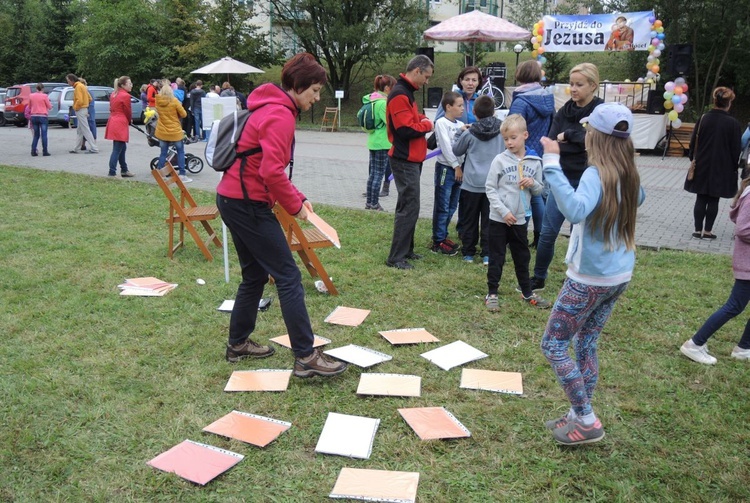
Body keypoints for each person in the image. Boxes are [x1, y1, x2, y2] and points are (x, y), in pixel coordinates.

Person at [216, 53, 348, 379]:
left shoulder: (271, 108)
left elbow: (267, 166)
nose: (317, 98)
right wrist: (295, 207)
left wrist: (299, 197)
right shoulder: (280, 116)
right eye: (314, 90)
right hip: (246, 204)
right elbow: (272, 171)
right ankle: (305, 356)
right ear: (298, 85)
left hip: (233, 199)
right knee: (288, 277)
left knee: (255, 275)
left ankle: (238, 343)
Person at [539, 103, 645, 445]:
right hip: (618, 276)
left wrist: (552, 162)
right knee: (586, 343)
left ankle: (586, 419)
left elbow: (574, 209)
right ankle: (577, 413)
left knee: (553, 345)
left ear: (595, 137)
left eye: (588, 132)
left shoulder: (595, 174)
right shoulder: (627, 172)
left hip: (589, 281)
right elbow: (638, 198)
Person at [528, 63, 603, 292]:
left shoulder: (601, 111)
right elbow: (551, 142)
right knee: (548, 232)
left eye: (579, 84)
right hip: (561, 178)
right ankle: (539, 276)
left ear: (593, 85)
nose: (573, 89)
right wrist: (572, 141)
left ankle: (576, 277)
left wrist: (569, 135)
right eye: (571, 84)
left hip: (587, 179)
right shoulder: (565, 111)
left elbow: (593, 141)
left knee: (580, 233)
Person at [680, 176, 750, 364]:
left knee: (735, 305)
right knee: (734, 306)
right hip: (748, 263)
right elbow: (743, 229)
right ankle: (695, 344)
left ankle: (744, 348)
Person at [484, 114, 549, 311]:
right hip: (499, 219)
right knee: (497, 256)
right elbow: (490, 188)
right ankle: (492, 292)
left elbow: (540, 190)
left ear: (525, 135)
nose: (509, 142)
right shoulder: (499, 160)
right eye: (505, 139)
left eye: (513, 137)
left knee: (522, 256)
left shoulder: (535, 162)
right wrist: (503, 211)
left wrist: (533, 183)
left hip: (520, 220)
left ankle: (527, 291)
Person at [385, 54, 434, 270]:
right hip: (405, 159)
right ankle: (396, 257)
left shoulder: (406, 93)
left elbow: (412, 120)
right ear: (417, 71)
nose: (427, 81)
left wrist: (421, 119)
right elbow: (405, 129)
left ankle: (407, 250)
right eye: (427, 76)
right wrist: (426, 125)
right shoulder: (399, 94)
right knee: (409, 206)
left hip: (412, 158)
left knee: (409, 205)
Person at [684, 87, 742, 240]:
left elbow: (693, 142)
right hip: (722, 166)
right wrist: (734, 166)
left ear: (715, 101)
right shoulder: (733, 123)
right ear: (728, 103)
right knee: (713, 199)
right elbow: (736, 149)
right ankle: (708, 231)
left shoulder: (703, 118)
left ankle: (697, 230)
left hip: (702, 163)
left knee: (700, 197)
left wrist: (693, 159)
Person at [509, 60, 555, 248]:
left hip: (524, 153)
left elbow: (512, 128)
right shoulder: (548, 99)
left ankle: (518, 236)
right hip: (542, 152)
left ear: (520, 75)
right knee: (538, 194)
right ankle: (540, 237)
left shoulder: (521, 101)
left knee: (525, 195)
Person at [452, 95, 504, 265]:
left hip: (471, 184)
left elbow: (457, 150)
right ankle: (487, 253)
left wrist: (459, 133)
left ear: (474, 112)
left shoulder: (470, 132)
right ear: (494, 111)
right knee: (490, 220)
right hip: (493, 183)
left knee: (469, 219)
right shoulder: (502, 131)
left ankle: (468, 252)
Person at [430, 91, 465, 255]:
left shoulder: (459, 125)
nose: (463, 109)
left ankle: (443, 236)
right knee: (442, 205)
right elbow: (445, 146)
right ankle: (438, 241)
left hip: (459, 170)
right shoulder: (441, 123)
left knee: (452, 205)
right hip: (446, 169)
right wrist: (455, 165)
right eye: (459, 105)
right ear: (448, 107)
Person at [363, 74, 396, 212]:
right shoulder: (383, 103)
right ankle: (375, 204)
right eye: (393, 88)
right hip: (383, 143)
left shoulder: (372, 100)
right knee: (379, 174)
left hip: (373, 141)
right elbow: (390, 123)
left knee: (373, 174)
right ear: (387, 88)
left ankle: (369, 203)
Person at [154, 79, 189, 182]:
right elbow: (184, 114)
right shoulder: (174, 101)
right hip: (175, 131)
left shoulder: (158, 101)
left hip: (162, 130)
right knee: (180, 151)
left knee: (163, 153)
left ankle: (161, 173)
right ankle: (182, 174)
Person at [105, 76, 134, 178]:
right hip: (120, 122)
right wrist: (129, 120)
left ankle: (124, 169)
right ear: (123, 85)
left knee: (121, 147)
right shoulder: (125, 96)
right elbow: (127, 111)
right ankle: (112, 171)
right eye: (129, 83)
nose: (131, 85)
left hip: (113, 120)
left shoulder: (114, 94)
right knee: (117, 149)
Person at [67, 73, 98, 154]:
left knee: (85, 129)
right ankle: (76, 148)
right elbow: (90, 98)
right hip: (84, 109)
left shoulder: (77, 87)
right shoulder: (82, 86)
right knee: (80, 130)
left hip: (80, 110)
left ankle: (94, 148)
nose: (68, 83)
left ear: (72, 80)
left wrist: (75, 107)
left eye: (68, 81)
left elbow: (79, 100)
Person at [28, 83, 52, 157]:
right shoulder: (45, 96)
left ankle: (33, 150)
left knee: (36, 135)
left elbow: (29, 106)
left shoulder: (31, 96)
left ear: (36, 88)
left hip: (34, 116)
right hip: (42, 116)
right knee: (44, 134)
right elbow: (49, 106)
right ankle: (45, 151)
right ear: (42, 89)